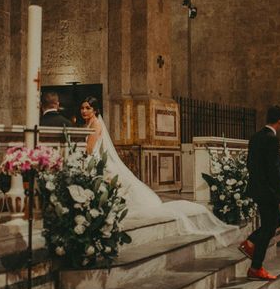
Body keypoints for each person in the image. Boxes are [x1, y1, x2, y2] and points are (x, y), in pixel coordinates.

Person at [77, 97, 238, 245]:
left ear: (95, 110)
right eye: (82, 108)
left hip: (95, 161)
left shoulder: (95, 125)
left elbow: (90, 150)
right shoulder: (90, 124)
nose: (84, 111)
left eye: (88, 108)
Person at [239, 105, 280, 281]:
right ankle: (255, 266)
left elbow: (251, 165)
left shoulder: (255, 137)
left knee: (276, 221)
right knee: (270, 225)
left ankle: (251, 244)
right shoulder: (272, 139)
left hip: (258, 189)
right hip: (269, 192)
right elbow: (275, 170)